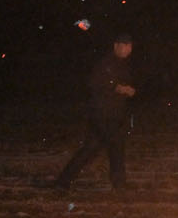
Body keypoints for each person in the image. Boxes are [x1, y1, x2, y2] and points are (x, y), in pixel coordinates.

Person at [52, 31, 136, 190]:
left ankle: (63, 181)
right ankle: (118, 184)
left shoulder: (124, 65)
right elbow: (95, 83)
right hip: (102, 113)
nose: (127, 49)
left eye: (129, 46)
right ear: (116, 46)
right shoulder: (106, 63)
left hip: (114, 114)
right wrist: (117, 87)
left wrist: (129, 90)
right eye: (124, 45)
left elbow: (125, 84)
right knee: (111, 147)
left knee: (98, 148)